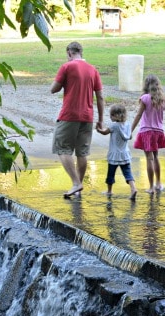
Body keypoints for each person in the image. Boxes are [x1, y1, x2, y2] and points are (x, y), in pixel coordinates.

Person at [50, 41, 104, 199]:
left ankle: (76, 183)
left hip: (69, 115)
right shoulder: (93, 70)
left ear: (69, 53)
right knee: (82, 152)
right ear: (81, 52)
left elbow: (53, 89)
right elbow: (100, 97)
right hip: (88, 117)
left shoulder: (67, 67)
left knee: (62, 148)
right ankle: (78, 188)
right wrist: (100, 120)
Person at [96, 104, 138, 201]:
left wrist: (98, 130)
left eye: (111, 115)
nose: (110, 117)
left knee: (111, 174)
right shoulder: (127, 125)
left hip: (114, 155)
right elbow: (130, 137)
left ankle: (109, 191)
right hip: (125, 154)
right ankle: (133, 188)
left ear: (116, 116)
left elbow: (105, 132)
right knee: (128, 173)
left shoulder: (114, 126)